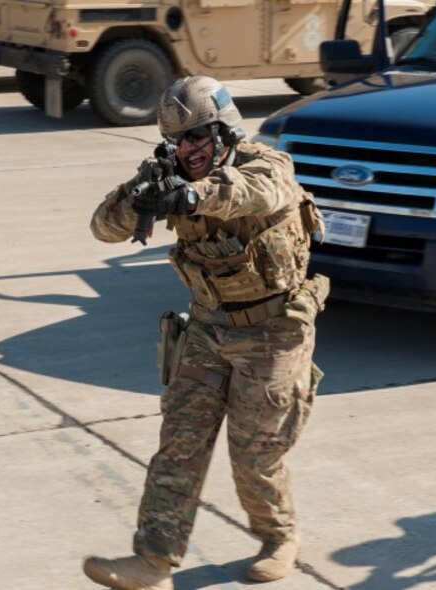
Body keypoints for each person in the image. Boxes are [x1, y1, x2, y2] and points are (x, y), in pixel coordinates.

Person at [84, 76, 329, 589]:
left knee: (256, 456)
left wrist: (190, 195)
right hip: (208, 329)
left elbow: (250, 194)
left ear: (224, 130)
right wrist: (141, 197)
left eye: (197, 137)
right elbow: (102, 227)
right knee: (179, 445)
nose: (187, 150)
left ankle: (279, 537)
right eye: (178, 141)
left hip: (274, 332)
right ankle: (153, 560)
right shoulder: (168, 174)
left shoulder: (267, 165)